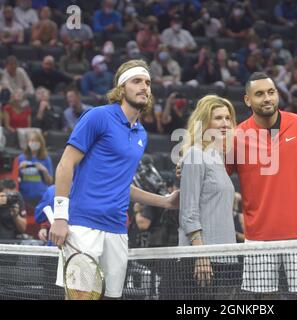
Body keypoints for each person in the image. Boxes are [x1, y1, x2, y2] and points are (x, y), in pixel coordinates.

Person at [49, 59, 179, 300]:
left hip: (118, 229)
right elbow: (65, 164)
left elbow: (123, 186)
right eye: (137, 81)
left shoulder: (142, 134)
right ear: (121, 89)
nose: (144, 87)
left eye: (148, 82)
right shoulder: (97, 117)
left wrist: (165, 201)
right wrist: (60, 216)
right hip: (83, 226)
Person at [228, 72, 297, 299]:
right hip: (258, 237)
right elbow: (218, 179)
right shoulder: (237, 136)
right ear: (248, 100)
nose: (267, 98)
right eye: (259, 94)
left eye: (271, 92)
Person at [178, 95, 239, 299]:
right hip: (203, 259)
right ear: (205, 123)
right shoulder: (195, 154)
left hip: (226, 257)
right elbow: (189, 212)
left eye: (228, 118)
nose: (225, 123)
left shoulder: (219, 159)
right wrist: (200, 255)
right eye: (218, 118)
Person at [17, 130, 53, 207]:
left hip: (41, 197)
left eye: (36, 141)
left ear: (41, 143)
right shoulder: (21, 158)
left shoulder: (46, 158)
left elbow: (49, 181)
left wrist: (44, 170)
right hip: (24, 196)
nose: (33, 143)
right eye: (31, 141)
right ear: (28, 143)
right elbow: (15, 179)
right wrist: (19, 168)